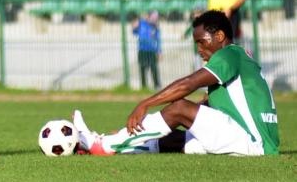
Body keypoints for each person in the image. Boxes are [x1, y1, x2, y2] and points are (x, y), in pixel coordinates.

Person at [74, 11, 278, 156]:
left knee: (179, 107)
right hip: (253, 142)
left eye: (201, 41)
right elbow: (203, 109)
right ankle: (113, 143)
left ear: (220, 36)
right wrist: (135, 132)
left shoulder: (228, 55)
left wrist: (145, 103)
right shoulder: (239, 58)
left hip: (251, 142)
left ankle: (103, 145)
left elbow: (188, 85)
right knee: (174, 138)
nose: (199, 49)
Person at [132, 11, 161, 90]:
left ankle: (157, 85)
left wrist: (159, 51)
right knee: (142, 68)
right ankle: (144, 86)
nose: (155, 19)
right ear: (149, 16)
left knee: (154, 68)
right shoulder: (141, 23)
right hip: (142, 50)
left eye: (156, 17)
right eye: (153, 17)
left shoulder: (155, 27)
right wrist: (134, 26)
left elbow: (158, 39)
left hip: (152, 50)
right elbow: (134, 32)